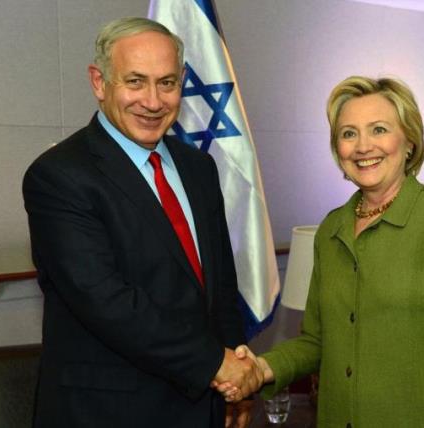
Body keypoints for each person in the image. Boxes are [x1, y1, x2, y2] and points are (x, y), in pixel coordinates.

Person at [218, 76, 424, 427]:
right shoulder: (331, 231)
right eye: (348, 134)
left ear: (409, 141)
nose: (363, 146)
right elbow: (316, 341)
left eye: (378, 129)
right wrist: (261, 368)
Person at [23, 17, 261, 428]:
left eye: (167, 83)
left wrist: (237, 374)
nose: (153, 101)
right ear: (100, 82)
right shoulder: (59, 176)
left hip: (202, 405)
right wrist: (216, 366)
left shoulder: (198, 167)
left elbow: (219, 286)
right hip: (106, 413)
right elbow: (107, 301)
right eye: (135, 82)